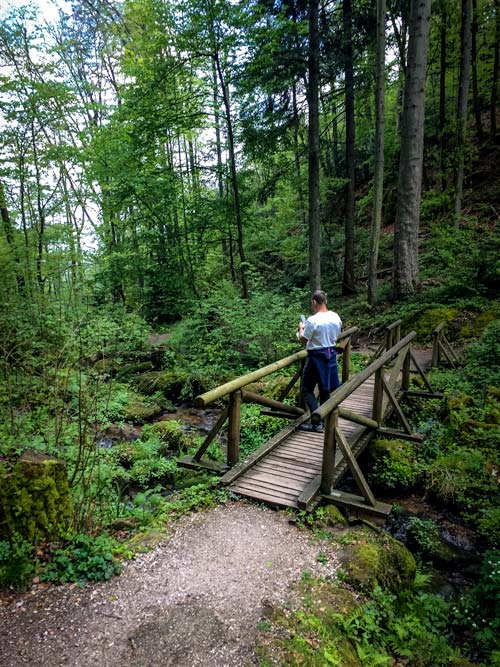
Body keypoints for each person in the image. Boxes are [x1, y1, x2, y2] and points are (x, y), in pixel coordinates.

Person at [297, 290, 342, 432]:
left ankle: (317, 421)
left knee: (306, 389)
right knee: (325, 388)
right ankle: (325, 418)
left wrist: (300, 329)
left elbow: (303, 340)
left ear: (314, 302)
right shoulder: (335, 317)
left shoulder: (312, 320)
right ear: (325, 301)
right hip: (330, 355)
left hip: (316, 357)